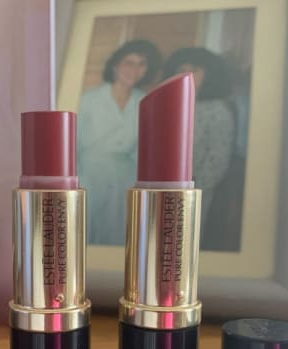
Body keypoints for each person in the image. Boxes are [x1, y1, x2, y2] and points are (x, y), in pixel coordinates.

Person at [77, 39, 160, 246]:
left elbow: (143, 149)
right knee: (84, 232)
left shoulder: (146, 102)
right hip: (88, 174)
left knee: (119, 236)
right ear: (115, 66)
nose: (134, 69)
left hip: (125, 177)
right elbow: (73, 144)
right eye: (128, 62)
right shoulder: (88, 99)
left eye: (141, 64)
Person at [161, 47, 241, 251]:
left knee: (181, 247)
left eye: (195, 70)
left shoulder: (218, 110)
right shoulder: (169, 104)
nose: (187, 75)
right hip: (158, 187)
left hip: (192, 193)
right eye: (182, 69)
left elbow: (216, 163)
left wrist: (187, 191)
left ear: (209, 75)